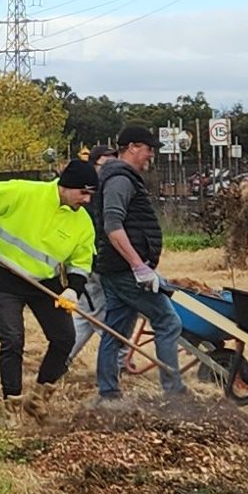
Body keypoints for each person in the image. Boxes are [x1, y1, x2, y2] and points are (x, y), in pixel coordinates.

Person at [0, 160, 100, 416]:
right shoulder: (24, 192)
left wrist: (73, 290)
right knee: (12, 340)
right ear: (67, 186)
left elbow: (82, 260)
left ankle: (39, 397)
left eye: (91, 194)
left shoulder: (82, 223)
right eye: (84, 192)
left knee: (65, 338)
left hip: (43, 283)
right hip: (4, 276)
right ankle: (12, 405)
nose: (87, 200)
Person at [90, 126, 187, 406]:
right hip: (124, 270)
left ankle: (108, 393)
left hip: (116, 268)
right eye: (149, 149)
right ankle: (174, 392)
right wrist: (138, 267)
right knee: (168, 322)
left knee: (115, 330)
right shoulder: (120, 179)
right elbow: (112, 225)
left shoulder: (120, 177)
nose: (151, 155)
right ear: (132, 147)